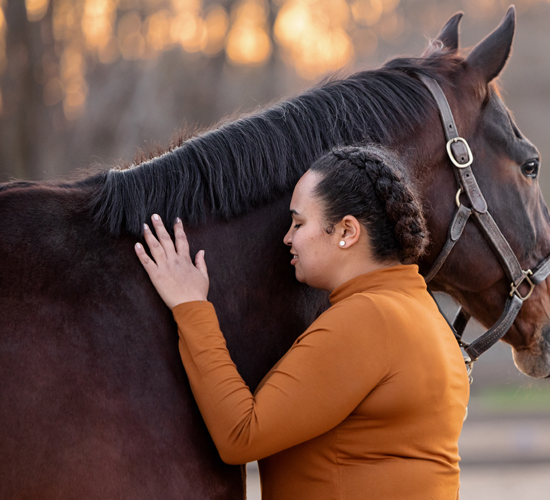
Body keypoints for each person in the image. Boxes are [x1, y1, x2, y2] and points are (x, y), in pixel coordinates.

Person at [133, 145, 470, 499]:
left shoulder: (368, 319)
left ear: (347, 231)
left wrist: (190, 306)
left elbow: (241, 435)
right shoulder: (425, 314)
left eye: (299, 222)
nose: (287, 238)